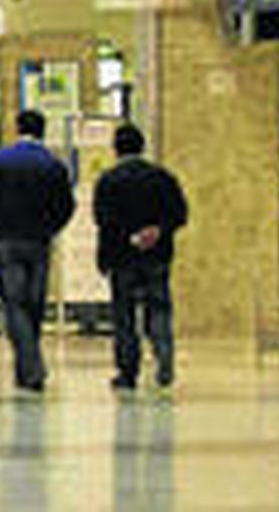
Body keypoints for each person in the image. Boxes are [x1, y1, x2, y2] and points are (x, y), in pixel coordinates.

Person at [0, 110, 75, 393]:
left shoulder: (0, 161)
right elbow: (66, 205)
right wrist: (52, 228)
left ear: (18, 128)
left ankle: (30, 368)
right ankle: (29, 369)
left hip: (6, 241)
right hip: (39, 241)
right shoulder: (53, 165)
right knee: (34, 305)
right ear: (43, 131)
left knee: (14, 304)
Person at [93, 123, 188, 393]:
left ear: (116, 148)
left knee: (124, 315)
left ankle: (127, 371)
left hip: (122, 258)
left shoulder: (108, 180)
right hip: (157, 256)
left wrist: (107, 254)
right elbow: (180, 214)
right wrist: (157, 230)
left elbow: (103, 221)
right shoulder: (162, 177)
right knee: (158, 309)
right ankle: (164, 359)